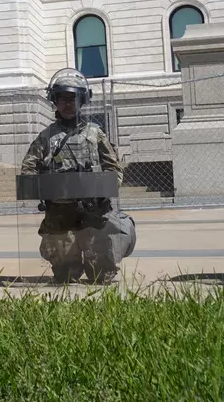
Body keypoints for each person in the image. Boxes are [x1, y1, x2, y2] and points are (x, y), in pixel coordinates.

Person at [20, 68, 137, 284]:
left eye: (72, 98)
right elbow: (28, 170)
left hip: (94, 208)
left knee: (101, 273)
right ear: (55, 101)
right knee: (65, 274)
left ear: (81, 100)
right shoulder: (46, 137)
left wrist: (105, 189)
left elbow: (113, 166)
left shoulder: (95, 133)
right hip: (60, 211)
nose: (67, 104)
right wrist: (44, 188)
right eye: (62, 99)